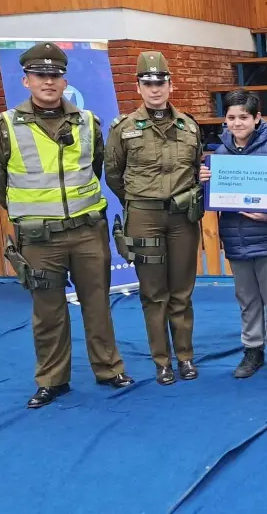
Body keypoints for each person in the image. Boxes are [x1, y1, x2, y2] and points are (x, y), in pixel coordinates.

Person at [0, 42, 134, 408]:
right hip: (39, 238)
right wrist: (32, 210)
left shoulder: (88, 123)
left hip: (87, 232)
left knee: (98, 304)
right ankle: (52, 379)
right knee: (48, 311)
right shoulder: (4, 127)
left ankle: (109, 368)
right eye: (39, 75)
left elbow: (95, 168)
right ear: (26, 80)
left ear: (65, 81)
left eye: (54, 75)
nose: (47, 82)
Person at [105, 51, 203, 385]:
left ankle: (186, 357)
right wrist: (141, 202)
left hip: (182, 219)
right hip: (144, 217)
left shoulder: (188, 125)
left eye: (160, 82)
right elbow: (113, 175)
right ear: (139, 86)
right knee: (153, 292)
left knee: (182, 290)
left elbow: (195, 168)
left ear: (170, 85)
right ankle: (162, 361)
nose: (155, 89)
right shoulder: (124, 128)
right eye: (148, 83)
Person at [198, 90, 267, 378]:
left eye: (244, 117)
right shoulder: (218, 156)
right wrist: (205, 184)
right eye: (231, 118)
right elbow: (208, 199)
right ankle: (252, 350)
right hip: (235, 239)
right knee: (246, 298)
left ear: (257, 118)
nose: (237, 123)